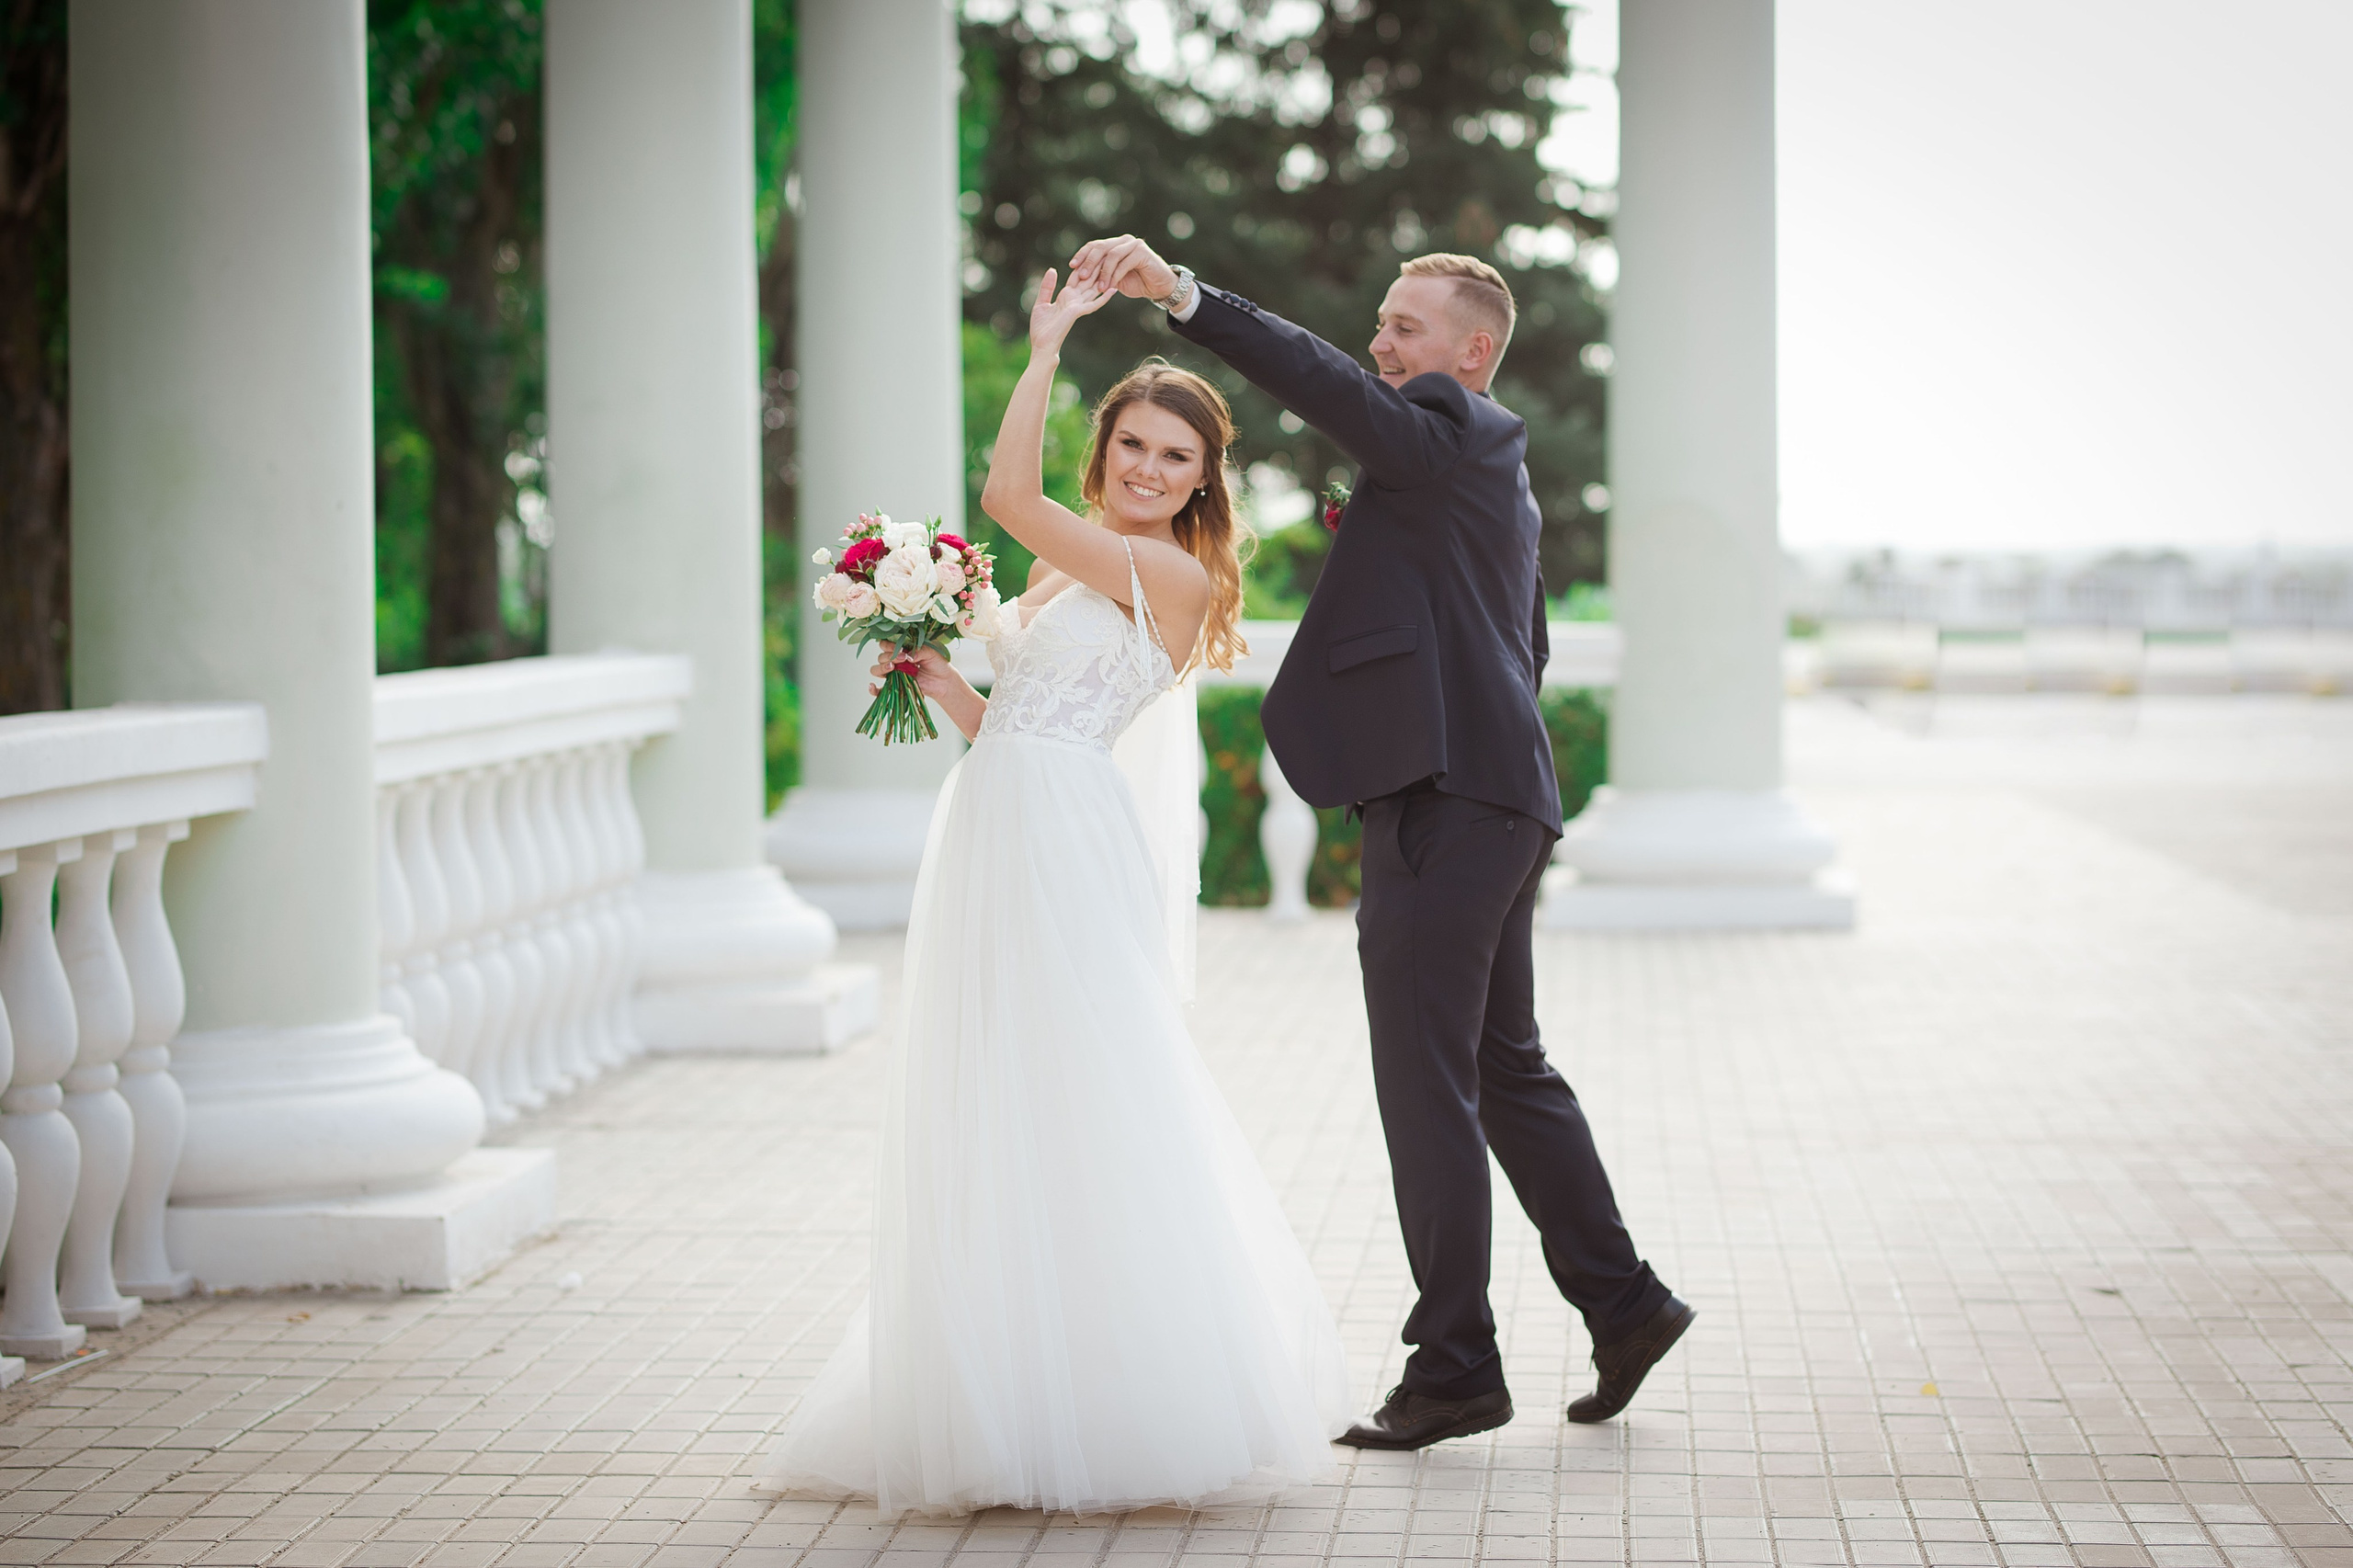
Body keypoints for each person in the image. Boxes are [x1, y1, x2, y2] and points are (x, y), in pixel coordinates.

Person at [1069, 235, 1693, 1450]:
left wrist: (1187, 296)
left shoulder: (1453, 424)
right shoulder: (1476, 465)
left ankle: (1456, 1363)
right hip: (1493, 790)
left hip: (1451, 795)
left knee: (1430, 1082)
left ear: (1469, 352)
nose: (1381, 340)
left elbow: (1327, 383)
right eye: (1382, 319)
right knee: (1505, 1069)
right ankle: (1624, 1302)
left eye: (1407, 326)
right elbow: (1517, 636)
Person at [754, 268, 1351, 1517]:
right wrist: (934, 667)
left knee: (1086, 1080)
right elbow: (1005, 720)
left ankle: (1114, 1391)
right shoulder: (1055, 579)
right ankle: (997, 1383)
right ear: (1112, 450)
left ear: (1203, 480)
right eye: (1132, 443)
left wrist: (1046, 345)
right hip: (994, 822)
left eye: (1172, 454)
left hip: (1066, 836)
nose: (1146, 467)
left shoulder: (1171, 579)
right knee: (993, 1084)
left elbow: (1005, 495)